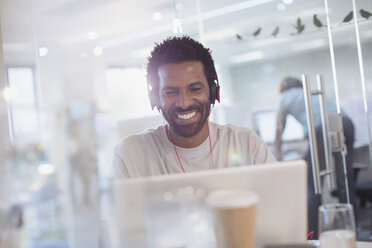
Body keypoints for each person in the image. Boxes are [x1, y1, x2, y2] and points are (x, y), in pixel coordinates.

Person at [112, 36, 276, 179]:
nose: (184, 103)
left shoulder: (246, 144)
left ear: (213, 93)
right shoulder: (130, 155)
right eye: (170, 92)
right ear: (155, 98)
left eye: (195, 89)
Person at [274, 77, 356, 238]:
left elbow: (279, 130)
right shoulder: (312, 94)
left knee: (312, 184)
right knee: (344, 180)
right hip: (344, 122)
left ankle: (312, 235)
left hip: (322, 128)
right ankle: (352, 231)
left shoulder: (285, 97)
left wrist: (277, 156)